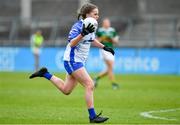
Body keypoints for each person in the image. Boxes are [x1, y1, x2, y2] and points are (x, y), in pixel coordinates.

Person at [29, 3, 115, 123]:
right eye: (95, 14)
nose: (98, 16)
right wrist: (82, 34)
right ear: (87, 14)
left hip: (78, 61)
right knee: (90, 85)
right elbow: (72, 43)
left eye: (98, 14)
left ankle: (45, 74)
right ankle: (92, 116)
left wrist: (104, 47)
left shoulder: (91, 25)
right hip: (72, 60)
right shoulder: (78, 26)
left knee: (66, 90)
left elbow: (91, 39)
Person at [94, 18, 119, 89]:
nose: (107, 24)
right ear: (103, 23)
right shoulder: (100, 31)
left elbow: (116, 41)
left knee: (109, 69)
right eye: (105, 23)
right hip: (103, 50)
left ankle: (96, 78)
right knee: (110, 67)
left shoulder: (112, 30)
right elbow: (96, 41)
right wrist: (102, 38)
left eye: (108, 23)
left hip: (111, 50)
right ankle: (114, 84)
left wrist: (111, 39)